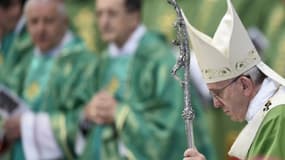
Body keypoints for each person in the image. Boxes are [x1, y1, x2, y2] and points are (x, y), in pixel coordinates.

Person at [81, 0, 215, 159]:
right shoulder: (102, 63)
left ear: (134, 17)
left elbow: (171, 130)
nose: (104, 22)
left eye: (112, 14)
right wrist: (88, 114)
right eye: (99, 14)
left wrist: (119, 113)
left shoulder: (159, 61)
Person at [183, 0, 285, 159]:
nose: (216, 103)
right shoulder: (268, 115)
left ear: (245, 85)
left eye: (218, 93)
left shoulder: (277, 118)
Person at [1, 0, 97, 159]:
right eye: (34, 22)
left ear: (65, 22)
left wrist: (28, 126)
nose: (40, 29)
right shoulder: (24, 62)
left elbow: (85, 121)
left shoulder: (84, 64)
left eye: (48, 21)